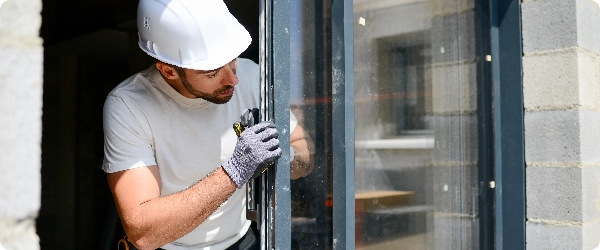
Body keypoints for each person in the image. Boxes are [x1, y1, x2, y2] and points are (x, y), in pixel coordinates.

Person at [102, 0, 313, 249]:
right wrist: (236, 170)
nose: (233, 79)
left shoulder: (251, 76)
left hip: (242, 241)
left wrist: (285, 157)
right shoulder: (129, 106)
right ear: (168, 71)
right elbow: (143, 232)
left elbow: (303, 149)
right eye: (212, 71)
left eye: (232, 59)